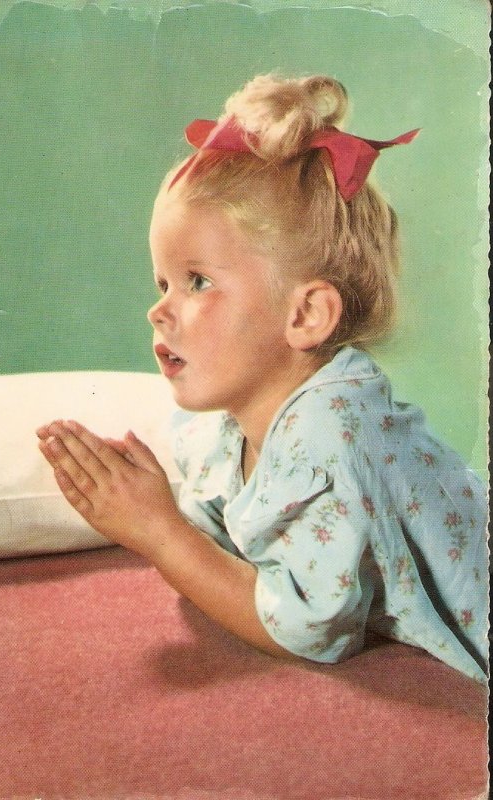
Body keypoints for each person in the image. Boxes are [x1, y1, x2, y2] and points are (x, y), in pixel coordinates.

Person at [37, 74, 488, 683]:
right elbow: (236, 541)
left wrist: (161, 533)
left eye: (198, 281)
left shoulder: (330, 429)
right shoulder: (233, 424)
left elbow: (312, 632)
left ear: (303, 315)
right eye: (162, 282)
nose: (159, 309)